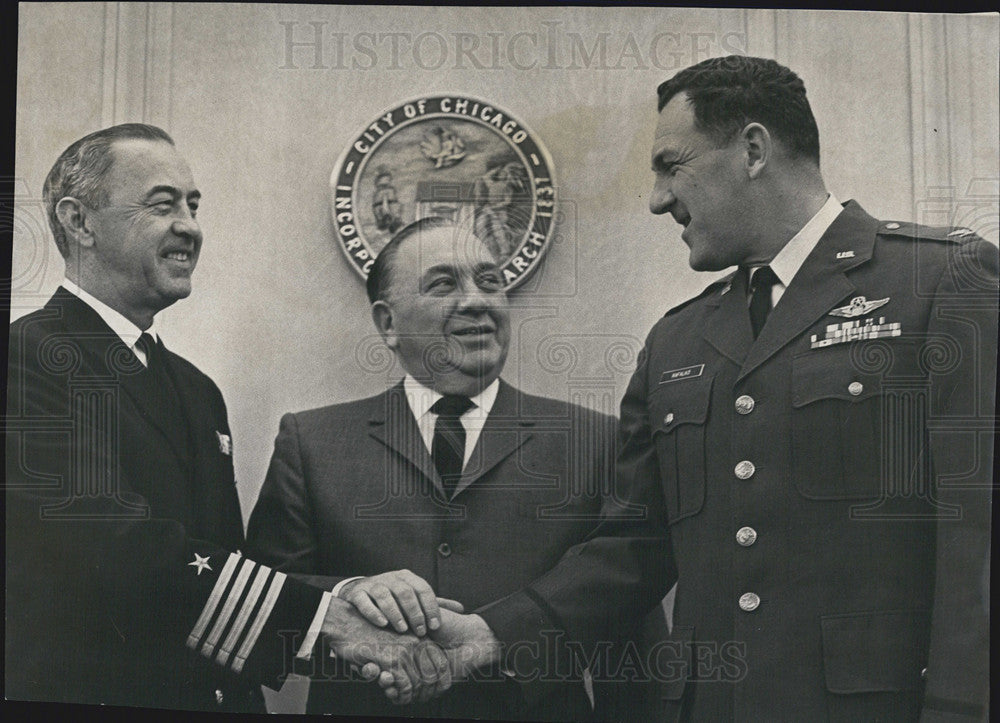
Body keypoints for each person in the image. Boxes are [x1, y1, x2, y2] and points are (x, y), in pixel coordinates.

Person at [4, 124, 451, 713]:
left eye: (193, 205)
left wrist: (351, 596)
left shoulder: (196, 390)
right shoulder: (27, 359)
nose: (190, 226)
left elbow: (224, 564)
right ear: (79, 222)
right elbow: (111, 549)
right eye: (163, 204)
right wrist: (330, 622)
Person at [627, 55, 994, 720]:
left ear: (754, 149)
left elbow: (981, 541)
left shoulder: (941, 282)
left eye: (669, 165)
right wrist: (491, 630)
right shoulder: (674, 342)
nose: (657, 198)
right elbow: (630, 550)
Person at [245, 217, 670, 720]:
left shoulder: (595, 440)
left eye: (490, 281)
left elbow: (632, 637)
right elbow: (260, 604)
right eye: (443, 283)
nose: (477, 301)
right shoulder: (312, 442)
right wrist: (346, 596)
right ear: (388, 324)